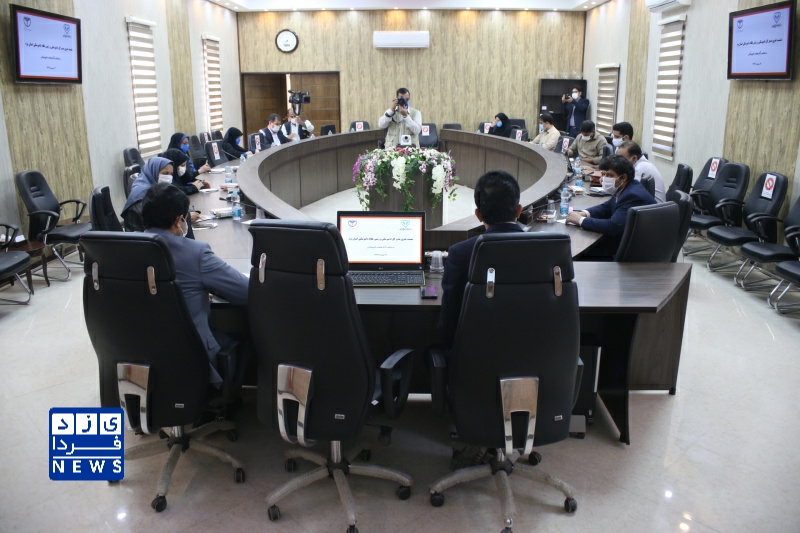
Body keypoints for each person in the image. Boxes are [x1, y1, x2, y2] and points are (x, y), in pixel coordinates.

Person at [141, 183, 249, 387]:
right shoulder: (196, 253)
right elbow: (246, 291)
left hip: (143, 355)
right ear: (178, 221)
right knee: (248, 338)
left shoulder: (128, 249)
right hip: (193, 357)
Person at [439, 170, 524, 348]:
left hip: (475, 359)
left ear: (478, 215)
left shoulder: (460, 254)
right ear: (519, 211)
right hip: (536, 358)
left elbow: (448, 323)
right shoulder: (547, 250)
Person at [565, 154, 656, 259]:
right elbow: (607, 206)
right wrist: (584, 213)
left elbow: (612, 227)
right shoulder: (627, 187)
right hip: (627, 240)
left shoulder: (632, 195)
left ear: (623, 177)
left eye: (609, 175)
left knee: (579, 255)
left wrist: (581, 220)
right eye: (603, 174)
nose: (604, 179)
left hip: (637, 255)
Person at [121, 157, 174, 232]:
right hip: (141, 236)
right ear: (153, 171)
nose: (169, 177)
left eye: (171, 174)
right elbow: (154, 222)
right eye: (165, 173)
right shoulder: (143, 194)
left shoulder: (156, 189)